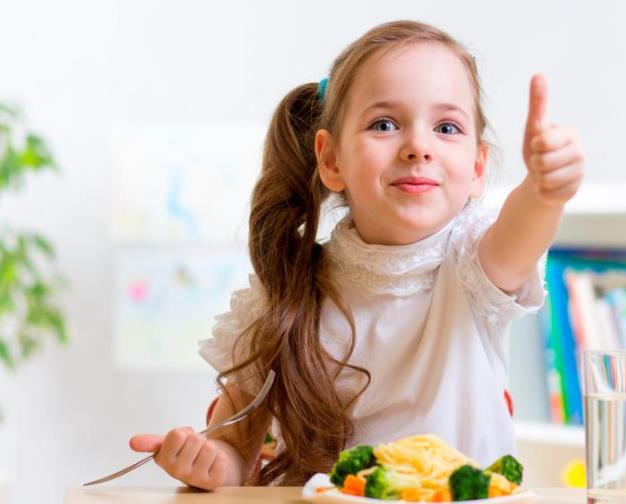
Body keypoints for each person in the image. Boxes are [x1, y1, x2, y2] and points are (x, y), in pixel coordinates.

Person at [129, 19, 584, 489]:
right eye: (384, 124)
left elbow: (520, 237)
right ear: (330, 159)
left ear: (476, 167)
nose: (418, 147)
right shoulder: (286, 290)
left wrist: (545, 191)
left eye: (446, 127)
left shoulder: (475, 263)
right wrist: (206, 461)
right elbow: (234, 455)